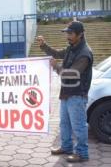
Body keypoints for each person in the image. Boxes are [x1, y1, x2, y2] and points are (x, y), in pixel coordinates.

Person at [37, 21, 93, 163]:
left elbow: (72, 74)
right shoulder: (71, 48)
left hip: (77, 95)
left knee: (79, 126)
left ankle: (82, 153)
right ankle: (66, 147)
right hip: (66, 93)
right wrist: (44, 45)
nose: (67, 36)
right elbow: (56, 53)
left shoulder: (84, 53)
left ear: (80, 35)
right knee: (65, 123)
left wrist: (56, 67)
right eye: (66, 33)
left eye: (70, 33)